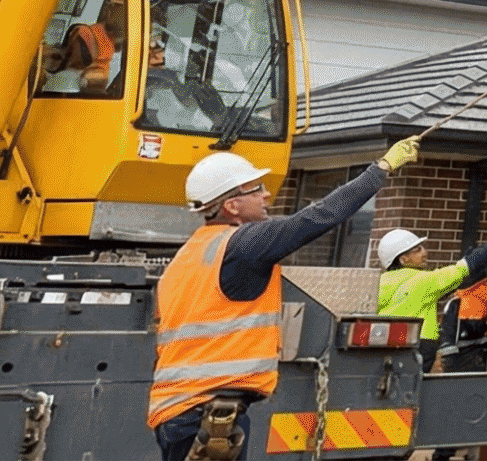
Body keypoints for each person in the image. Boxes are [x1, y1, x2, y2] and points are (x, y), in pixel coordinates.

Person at [150, 136, 423, 461]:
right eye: (256, 188)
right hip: (205, 415)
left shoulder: (191, 254)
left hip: (185, 411)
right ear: (231, 206)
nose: (267, 194)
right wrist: (381, 168)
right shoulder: (243, 244)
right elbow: (317, 217)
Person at [376, 211, 487, 368]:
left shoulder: (378, 282)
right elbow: (466, 266)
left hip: (383, 344)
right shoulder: (424, 281)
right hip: (418, 345)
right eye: (417, 249)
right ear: (403, 259)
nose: (424, 253)